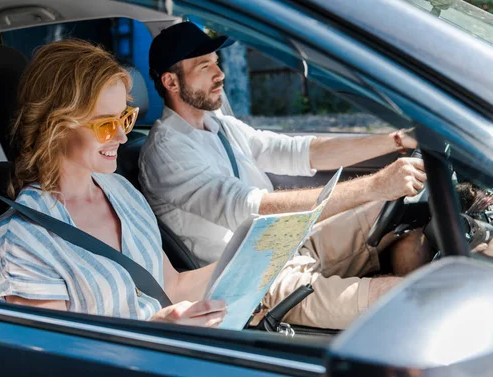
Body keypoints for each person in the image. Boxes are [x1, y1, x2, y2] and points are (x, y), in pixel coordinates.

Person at [138, 22, 430, 329]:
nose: (220, 73)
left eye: (217, 62)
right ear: (171, 82)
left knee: (408, 218)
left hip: (290, 242)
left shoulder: (219, 126)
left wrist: (397, 139)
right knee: (410, 297)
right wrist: (374, 186)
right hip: (256, 280)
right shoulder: (166, 151)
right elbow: (250, 208)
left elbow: (301, 152)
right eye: (204, 66)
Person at [0, 39, 228, 327]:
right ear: (55, 127)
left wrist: (252, 264)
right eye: (105, 125)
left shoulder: (120, 190)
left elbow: (171, 288)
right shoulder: (26, 235)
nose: (122, 137)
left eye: (124, 118)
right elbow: (54, 356)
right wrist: (156, 331)